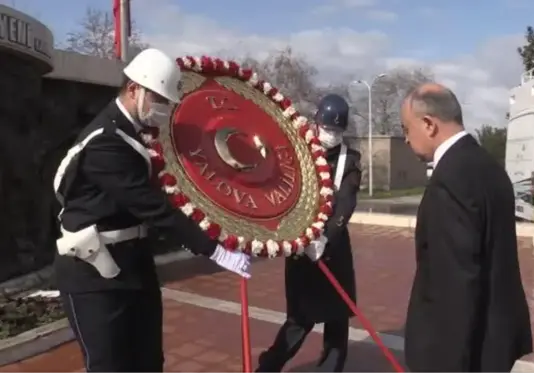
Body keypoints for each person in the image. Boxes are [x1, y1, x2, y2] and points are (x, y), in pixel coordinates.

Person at [52, 48, 251, 373]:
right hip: (94, 275)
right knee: (110, 367)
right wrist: (214, 250)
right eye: (158, 99)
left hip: (135, 267)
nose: (162, 109)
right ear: (134, 90)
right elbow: (154, 207)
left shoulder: (135, 134)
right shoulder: (106, 142)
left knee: (148, 363)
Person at [399, 83, 533, 373]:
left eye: (406, 129)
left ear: (428, 124)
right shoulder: (489, 166)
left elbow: (455, 283)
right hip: (495, 336)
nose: (406, 140)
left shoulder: (450, 179)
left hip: (466, 351)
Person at [256, 94, 361, 373]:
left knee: (337, 317)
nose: (332, 135)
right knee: (299, 319)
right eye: (327, 128)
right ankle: (269, 365)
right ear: (316, 123)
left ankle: (330, 368)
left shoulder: (349, 159)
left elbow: (346, 204)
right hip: (302, 248)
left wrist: (326, 237)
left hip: (333, 248)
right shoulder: (298, 152)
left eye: (337, 131)